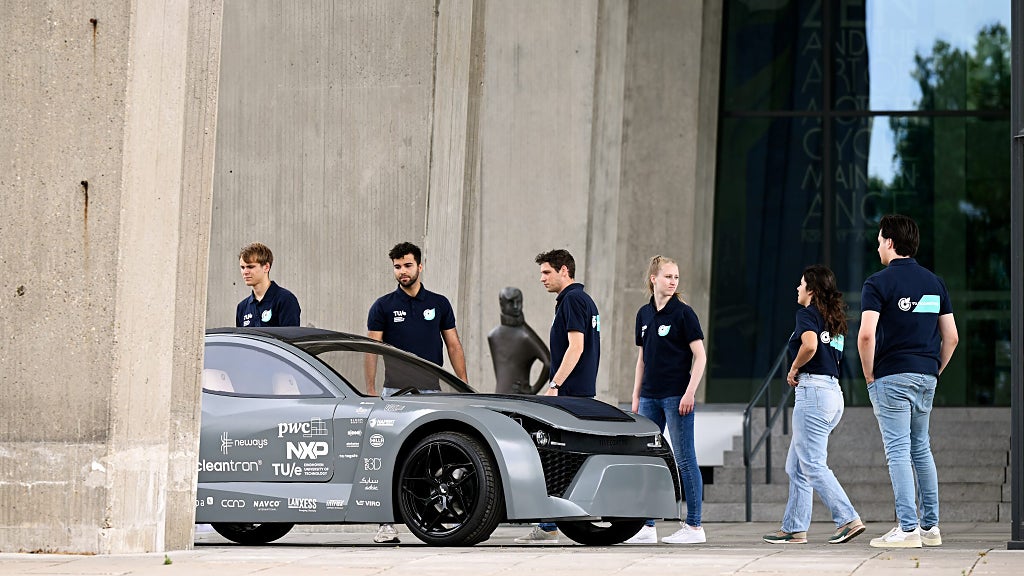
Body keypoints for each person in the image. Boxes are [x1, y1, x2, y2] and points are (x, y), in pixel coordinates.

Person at [858, 214, 958, 549]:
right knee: (921, 448)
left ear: (890, 242)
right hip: (926, 374)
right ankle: (930, 528)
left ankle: (907, 528)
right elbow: (952, 337)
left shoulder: (877, 283)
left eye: (879, 241)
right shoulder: (935, 283)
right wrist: (934, 370)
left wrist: (869, 375)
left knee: (898, 450)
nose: (877, 247)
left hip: (892, 375)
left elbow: (866, 336)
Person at [364, 241, 468, 543]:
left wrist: (464, 386)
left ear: (420, 266)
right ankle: (386, 524)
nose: (402, 271)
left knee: (434, 457)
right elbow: (371, 349)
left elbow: (454, 346)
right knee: (389, 457)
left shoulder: (439, 303)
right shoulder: (383, 306)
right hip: (394, 394)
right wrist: (370, 389)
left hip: (432, 393)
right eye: (397, 267)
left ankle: (429, 518)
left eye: (408, 265)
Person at [762, 265, 865, 545]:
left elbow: (810, 346)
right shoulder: (834, 318)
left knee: (813, 465)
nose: (797, 288)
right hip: (833, 394)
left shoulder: (807, 314)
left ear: (812, 289)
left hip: (814, 393)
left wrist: (793, 368)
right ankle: (794, 528)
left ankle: (848, 519)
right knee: (797, 467)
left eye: (801, 284)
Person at [514, 249, 601, 544]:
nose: (542, 278)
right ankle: (550, 523)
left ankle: (550, 525)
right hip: (579, 392)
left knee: (554, 457)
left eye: (546, 272)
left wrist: (555, 384)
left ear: (564, 270)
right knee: (565, 458)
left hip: (570, 394)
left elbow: (576, 347)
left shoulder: (573, 300)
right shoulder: (581, 300)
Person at [624, 255, 707, 545]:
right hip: (649, 397)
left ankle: (694, 526)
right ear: (654, 279)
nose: (673, 282)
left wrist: (690, 392)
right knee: (647, 459)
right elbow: (642, 359)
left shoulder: (684, 314)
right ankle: (647, 526)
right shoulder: (644, 314)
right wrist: (636, 395)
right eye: (668, 276)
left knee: (684, 458)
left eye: (676, 277)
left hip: (676, 396)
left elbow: (700, 357)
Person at [487, 286, 551, 394]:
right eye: (511, 302)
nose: (516, 306)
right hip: (503, 397)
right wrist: (533, 390)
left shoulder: (525, 336)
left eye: (519, 302)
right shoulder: (493, 336)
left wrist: (533, 390)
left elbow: (549, 363)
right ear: (502, 304)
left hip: (514, 399)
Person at [235, 242, 301, 327]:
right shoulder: (242, 307)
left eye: (250, 267)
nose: (245, 272)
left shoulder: (285, 299)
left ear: (266, 267)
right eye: (242, 267)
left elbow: (290, 334)